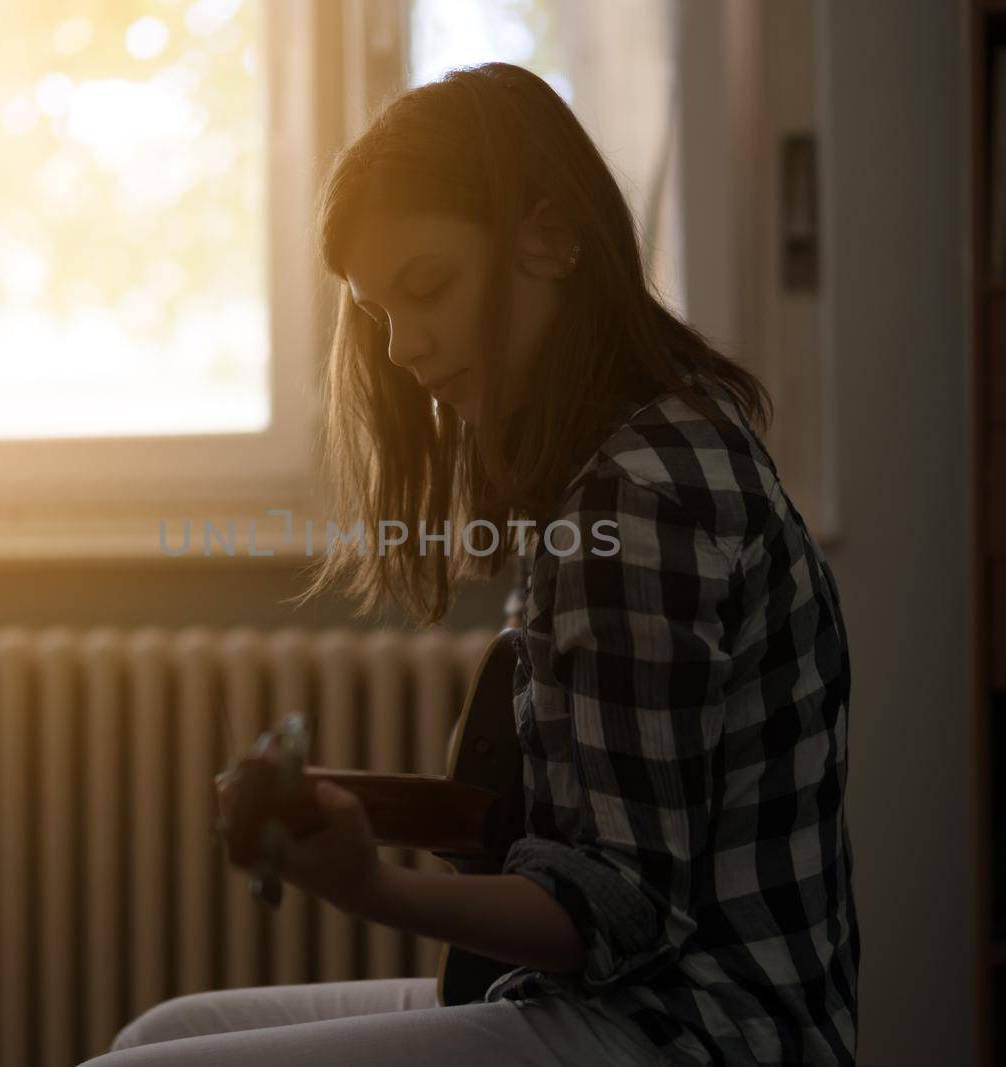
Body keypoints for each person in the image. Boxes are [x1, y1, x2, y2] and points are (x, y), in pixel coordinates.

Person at [82, 61, 857, 1067]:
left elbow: (618, 909)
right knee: (162, 1035)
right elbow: (602, 811)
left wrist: (372, 883)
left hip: (695, 1031)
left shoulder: (640, 496)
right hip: (643, 1004)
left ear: (549, 235)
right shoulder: (647, 448)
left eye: (428, 287)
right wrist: (364, 809)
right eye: (378, 312)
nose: (402, 347)